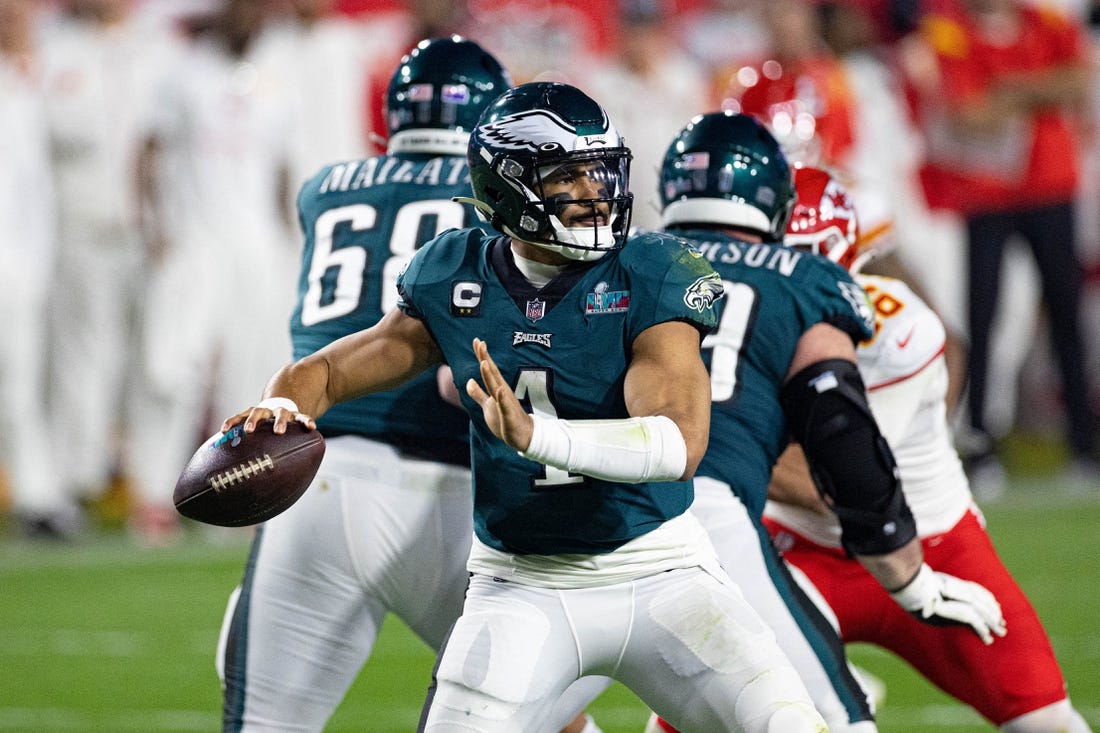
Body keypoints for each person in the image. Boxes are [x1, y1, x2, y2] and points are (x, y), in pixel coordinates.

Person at [220, 81, 831, 733]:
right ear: (510, 185)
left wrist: (540, 435)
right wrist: (282, 403)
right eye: (570, 174)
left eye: (603, 170)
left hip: (663, 572)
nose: (597, 192)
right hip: (521, 585)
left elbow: (679, 444)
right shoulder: (454, 272)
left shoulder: (654, 268)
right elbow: (334, 368)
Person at [215, 37, 597, 733]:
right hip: (456, 491)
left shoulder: (324, 188)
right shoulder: (502, 198)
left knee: (265, 720)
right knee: (542, 708)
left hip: (315, 478)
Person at [647, 113, 1007, 733]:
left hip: (579, 530)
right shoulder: (800, 278)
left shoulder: (619, 263)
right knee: (838, 720)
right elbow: (841, 438)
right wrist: (912, 581)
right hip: (707, 521)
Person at [763, 166, 1093, 733]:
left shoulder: (895, 330)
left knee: (1047, 721)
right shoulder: (714, 314)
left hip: (932, 545)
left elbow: (839, 486)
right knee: (683, 712)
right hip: (795, 554)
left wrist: (713, 444)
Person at [908, 0, 1098, 488]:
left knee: (1065, 311)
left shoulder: (1047, 23)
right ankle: (980, 442)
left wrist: (1010, 90)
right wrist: (1038, 92)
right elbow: (970, 114)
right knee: (982, 317)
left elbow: (1079, 81)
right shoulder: (950, 30)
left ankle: (1083, 443)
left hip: (1050, 186)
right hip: (987, 193)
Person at [130, 0, 297, 544]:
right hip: (194, 241)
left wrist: (284, 238)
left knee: (251, 374)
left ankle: (234, 496)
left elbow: (280, 164)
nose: (254, 18)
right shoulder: (182, 72)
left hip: (255, 246)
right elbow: (147, 151)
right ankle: (152, 496)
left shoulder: (275, 74)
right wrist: (154, 231)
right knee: (171, 370)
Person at [0, 0, 73, 537]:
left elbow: (34, 189)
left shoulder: (31, 83)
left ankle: (39, 493)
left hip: (25, 257)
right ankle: (36, 494)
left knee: (24, 379)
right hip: (16, 257)